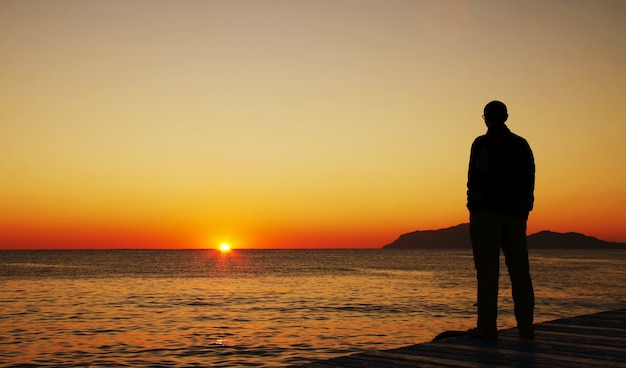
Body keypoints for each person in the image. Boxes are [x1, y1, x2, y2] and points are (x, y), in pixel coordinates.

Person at [466, 100, 535, 339]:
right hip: (516, 215)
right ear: (506, 116)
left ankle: (487, 329)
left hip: (487, 213)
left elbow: (475, 177)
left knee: (487, 273)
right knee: (520, 271)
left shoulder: (482, 143)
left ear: (486, 118)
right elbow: (529, 177)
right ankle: (525, 326)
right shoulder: (521, 145)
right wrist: (526, 206)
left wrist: (473, 206)